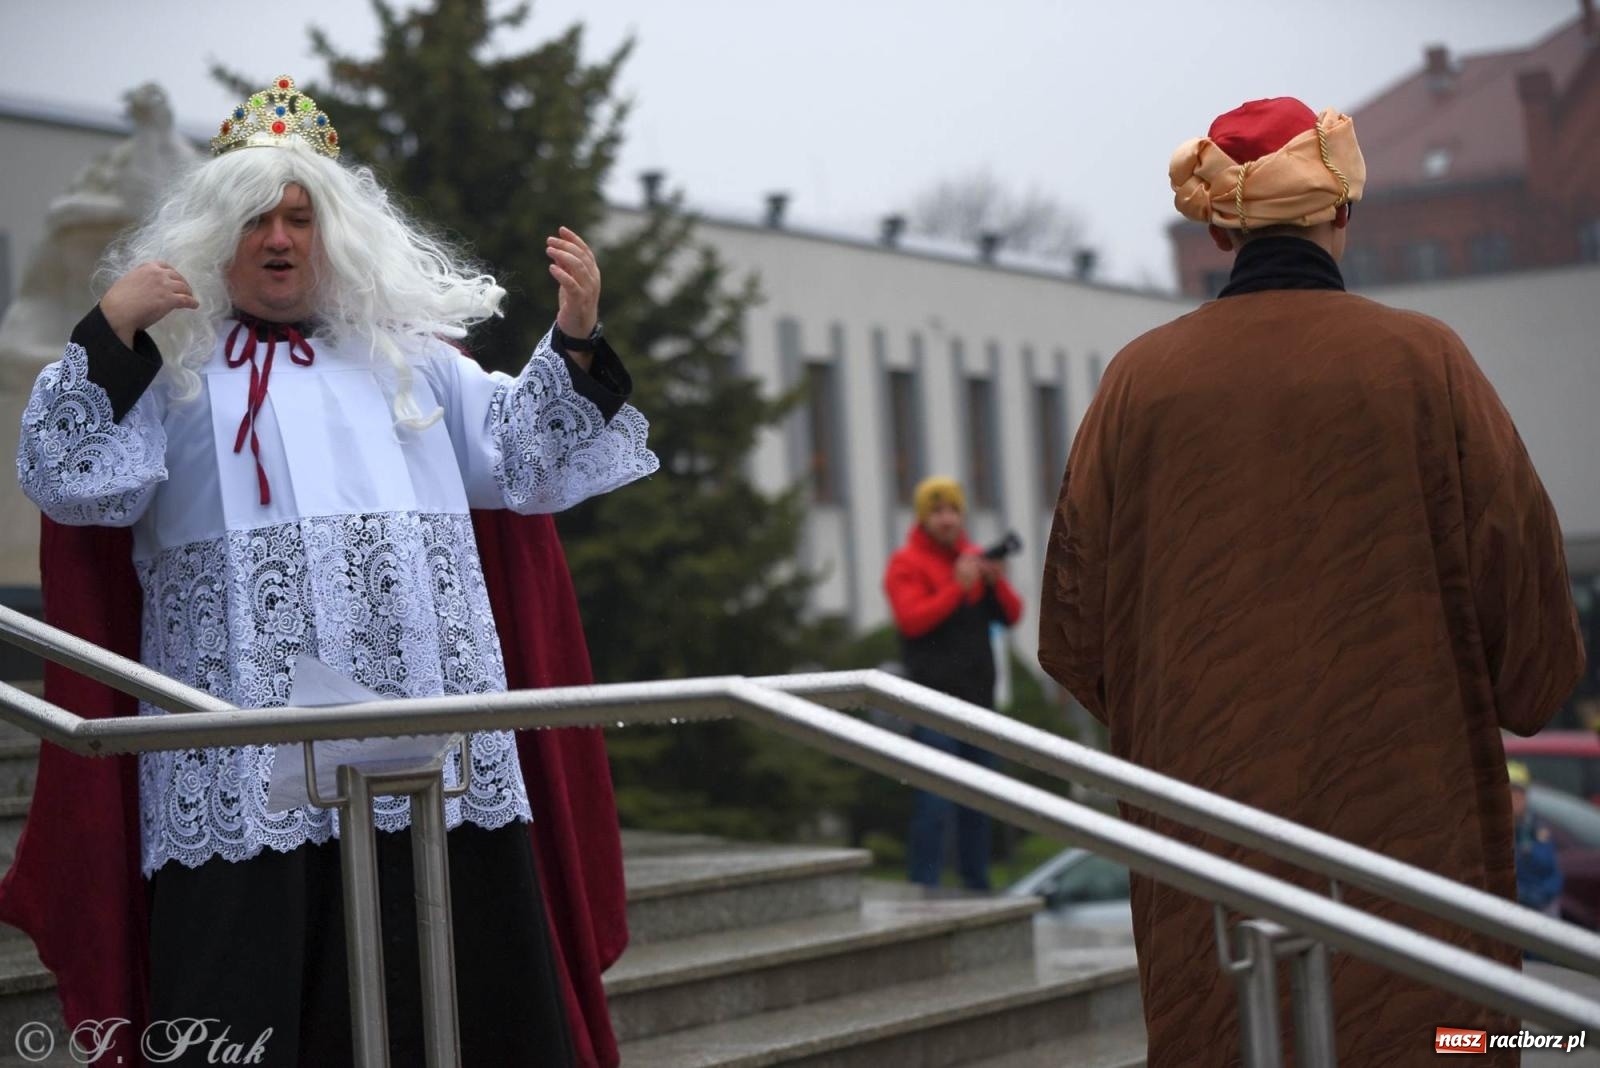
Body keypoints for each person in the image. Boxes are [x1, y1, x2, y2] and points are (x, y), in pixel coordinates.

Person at [2, 75, 657, 1067]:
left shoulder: (415, 363)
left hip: (425, 755)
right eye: (255, 218)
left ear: (335, 234)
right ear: (216, 236)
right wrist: (111, 332)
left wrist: (573, 339)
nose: (279, 239)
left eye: (300, 218)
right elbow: (73, 479)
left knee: (453, 992)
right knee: (246, 1001)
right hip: (241, 759)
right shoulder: (173, 374)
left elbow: (531, 459)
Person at [1038, 97, 1584, 1068]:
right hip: (1409, 855)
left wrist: (1191, 717)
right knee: (1437, 1039)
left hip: (1209, 859)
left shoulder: (1136, 384)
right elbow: (1532, 638)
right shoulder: (1425, 363)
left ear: (1219, 231)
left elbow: (1073, 638)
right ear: (1342, 209)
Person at [884, 475, 1022, 891]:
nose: (947, 519)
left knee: (979, 800)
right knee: (936, 801)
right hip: (931, 703)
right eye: (937, 511)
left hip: (978, 702)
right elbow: (912, 620)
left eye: (953, 510)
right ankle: (923, 888)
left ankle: (976, 886)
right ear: (923, 518)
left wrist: (994, 582)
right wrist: (955, 588)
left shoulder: (972, 558)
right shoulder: (906, 564)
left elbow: (1013, 615)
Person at [1509, 762, 1564, 917]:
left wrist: (1539, 895)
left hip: (1540, 908)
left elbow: (1550, 868)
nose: (1514, 799)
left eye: (1519, 793)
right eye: (1510, 792)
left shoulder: (1536, 827)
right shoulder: (1491, 829)